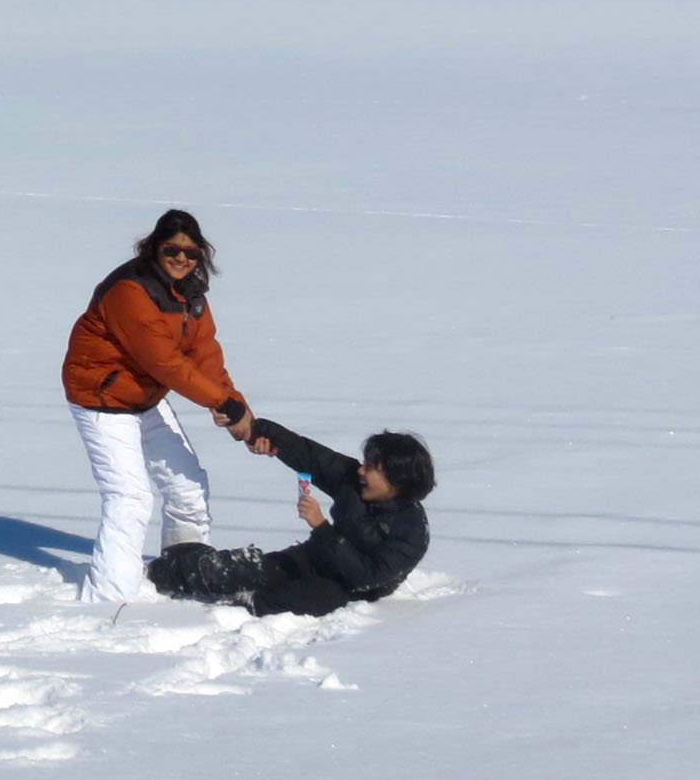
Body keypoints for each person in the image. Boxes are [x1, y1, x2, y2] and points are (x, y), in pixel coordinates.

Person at [60, 209, 251, 603]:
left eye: (191, 252)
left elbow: (204, 354)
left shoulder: (191, 292)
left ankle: (183, 571)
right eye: (172, 250)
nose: (182, 259)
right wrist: (220, 401)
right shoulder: (130, 291)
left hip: (144, 398)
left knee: (188, 483)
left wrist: (236, 408)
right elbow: (165, 361)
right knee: (130, 498)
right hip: (102, 399)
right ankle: (109, 600)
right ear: (153, 248)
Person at [146, 419, 436, 616]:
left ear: (396, 481)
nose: (361, 471)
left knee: (315, 597)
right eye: (364, 462)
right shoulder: (353, 481)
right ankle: (161, 571)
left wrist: (322, 528)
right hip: (313, 557)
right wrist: (258, 431)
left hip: (347, 587)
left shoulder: (412, 532)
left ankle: (244, 604)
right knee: (241, 570)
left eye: (372, 467)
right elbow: (310, 456)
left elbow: (367, 577)